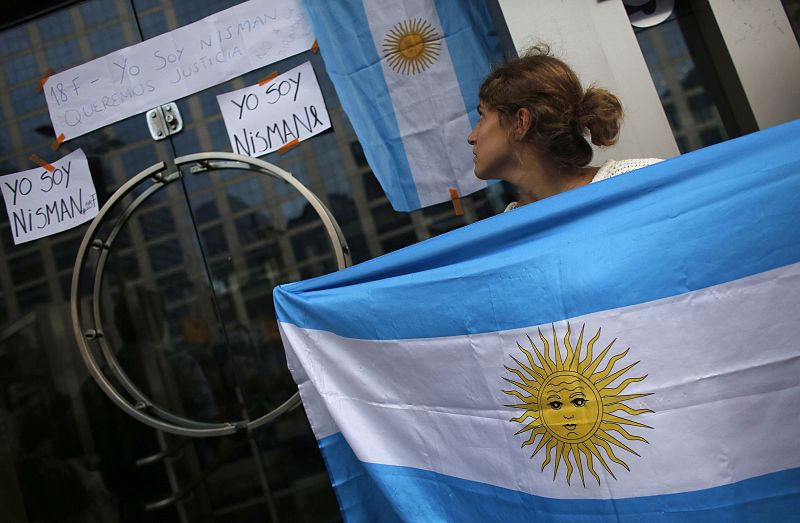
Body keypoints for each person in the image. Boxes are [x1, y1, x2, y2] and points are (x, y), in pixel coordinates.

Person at [467, 45, 660, 211]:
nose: (471, 137)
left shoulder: (644, 181)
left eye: (482, 116)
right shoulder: (505, 233)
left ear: (521, 122)